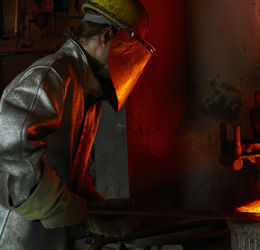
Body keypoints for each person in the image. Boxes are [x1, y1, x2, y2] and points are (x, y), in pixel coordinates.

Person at [0, 0, 154, 249]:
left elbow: (66, 170)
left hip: (48, 239)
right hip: (15, 239)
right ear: (106, 36)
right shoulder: (49, 77)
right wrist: (83, 213)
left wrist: (94, 206)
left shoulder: (84, 89)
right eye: (128, 51)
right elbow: (14, 168)